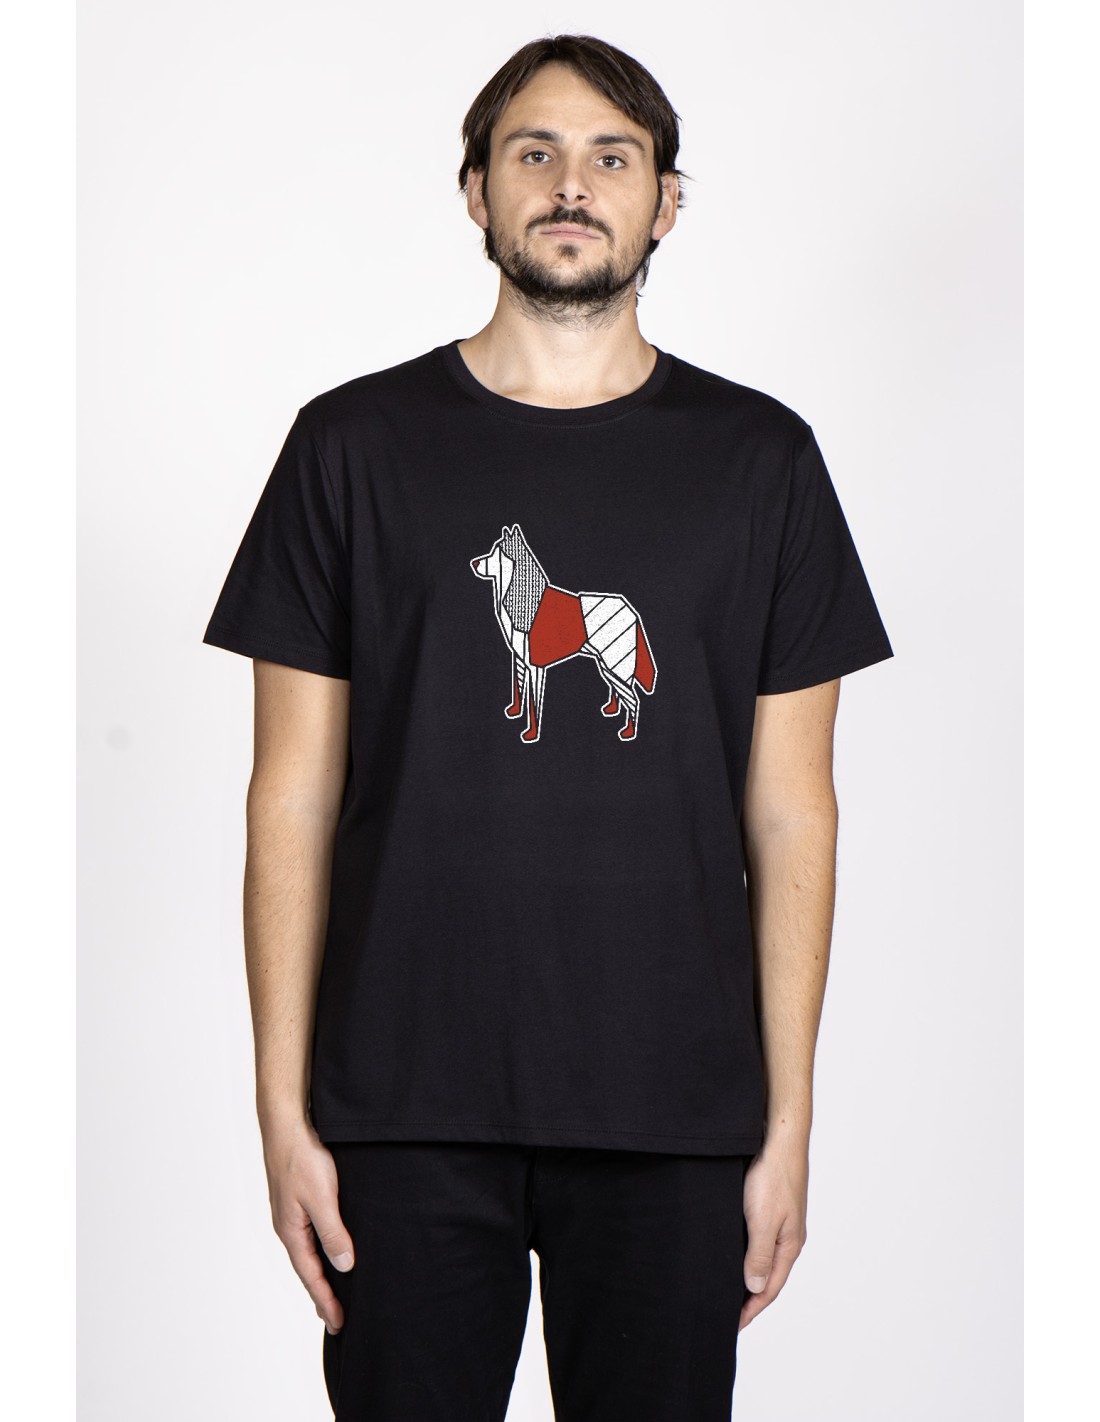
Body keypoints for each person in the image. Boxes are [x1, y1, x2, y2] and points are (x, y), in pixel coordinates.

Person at [203, 32, 894, 1421]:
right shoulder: (349, 447)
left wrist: (788, 1125)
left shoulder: (763, 460)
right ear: (476, 190)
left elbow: (792, 811)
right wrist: (282, 1112)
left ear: (666, 202)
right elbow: (290, 799)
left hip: (675, 1112)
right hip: (401, 1107)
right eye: (536, 153)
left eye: (611, 158)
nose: (572, 184)